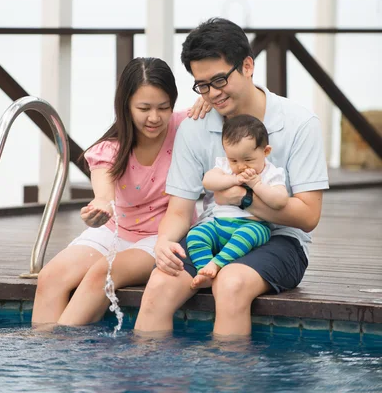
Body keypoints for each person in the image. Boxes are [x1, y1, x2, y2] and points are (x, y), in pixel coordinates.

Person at [134, 18, 328, 337]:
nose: (213, 94)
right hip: (214, 230)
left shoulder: (299, 123)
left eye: (220, 80)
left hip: (282, 239)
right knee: (158, 285)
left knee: (231, 283)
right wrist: (164, 243)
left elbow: (308, 217)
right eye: (203, 85)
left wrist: (244, 199)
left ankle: (228, 381)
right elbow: (179, 210)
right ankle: (155, 382)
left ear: (248, 66)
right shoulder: (195, 127)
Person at [32, 57, 208, 326]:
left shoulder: (187, 124)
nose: (154, 117)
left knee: (102, 272)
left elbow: (235, 102)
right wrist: (99, 209)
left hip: (161, 236)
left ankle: (62, 355)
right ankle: (44, 356)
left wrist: (210, 99)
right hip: (115, 230)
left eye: (164, 107)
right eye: (144, 108)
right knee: (50, 276)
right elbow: (103, 195)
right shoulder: (110, 149)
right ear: (126, 106)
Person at [187, 114, 288, 290]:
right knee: (195, 235)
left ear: (266, 151)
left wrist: (256, 184)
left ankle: (216, 264)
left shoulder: (271, 173)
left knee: (247, 235)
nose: (240, 166)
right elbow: (208, 181)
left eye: (248, 160)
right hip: (218, 225)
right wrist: (233, 180)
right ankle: (204, 270)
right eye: (233, 160)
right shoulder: (226, 167)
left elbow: (280, 201)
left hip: (253, 226)